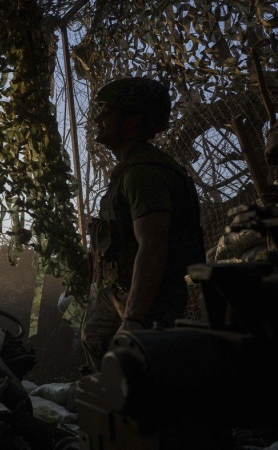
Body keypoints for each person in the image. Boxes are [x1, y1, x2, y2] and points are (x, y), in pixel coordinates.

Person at [80, 77, 206, 372]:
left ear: (134, 121)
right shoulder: (128, 170)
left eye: (107, 112)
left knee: (141, 378)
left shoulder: (144, 173)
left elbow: (153, 244)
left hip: (148, 302)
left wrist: (134, 319)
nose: (98, 119)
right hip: (119, 292)